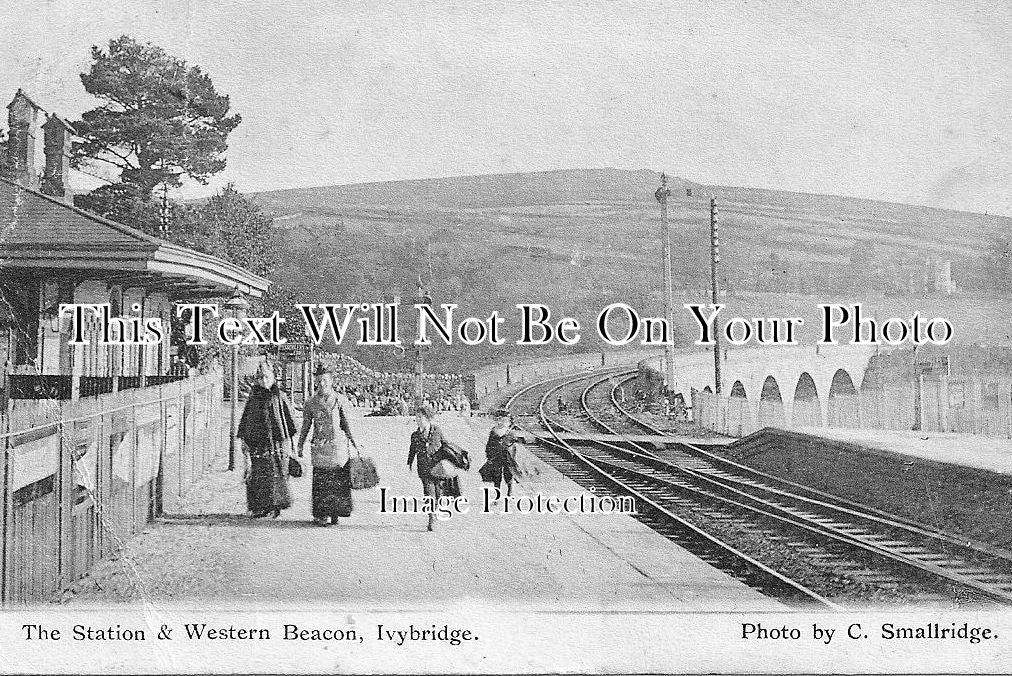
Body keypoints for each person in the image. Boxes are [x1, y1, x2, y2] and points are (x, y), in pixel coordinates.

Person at [299, 365, 359, 526]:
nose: (322, 383)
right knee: (321, 481)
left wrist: (354, 441)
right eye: (319, 381)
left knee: (337, 480)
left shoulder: (340, 400)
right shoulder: (311, 402)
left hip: (337, 446)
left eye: (325, 380)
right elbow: (306, 425)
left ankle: (335, 513)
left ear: (331, 381)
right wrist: (300, 444)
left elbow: (346, 423)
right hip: (319, 446)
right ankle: (321, 514)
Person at [237, 361, 297, 518]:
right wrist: (244, 438)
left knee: (275, 475)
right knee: (259, 475)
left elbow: (287, 420)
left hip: (277, 443)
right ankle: (260, 506)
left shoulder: (279, 396)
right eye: (260, 377)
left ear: (273, 378)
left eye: (267, 377)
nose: (264, 380)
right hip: (259, 443)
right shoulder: (253, 397)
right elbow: (247, 419)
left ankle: (274, 506)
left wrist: (290, 443)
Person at [407, 404, 446, 532]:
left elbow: (445, 445)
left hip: (438, 468)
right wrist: (410, 462)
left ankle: (437, 508)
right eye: (416, 417)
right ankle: (431, 517)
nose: (417, 420)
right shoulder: (415, 435)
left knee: (439, 493)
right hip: (424, 469)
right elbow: (412, 450)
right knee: (429, 493)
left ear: (428, 418)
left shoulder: (437, 431)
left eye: (420, 417)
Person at [479, 408, 524, 498]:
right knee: (496, 475)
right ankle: (497, 495)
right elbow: (489, 444)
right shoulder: (494, 432)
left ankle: (509, 492)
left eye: (504, 420)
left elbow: (515, 445)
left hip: (507, 456)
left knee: (508, 474)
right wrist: (489, 455)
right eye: (500, 419)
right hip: (496, 455)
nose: (502, 421)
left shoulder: (510, 433)